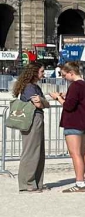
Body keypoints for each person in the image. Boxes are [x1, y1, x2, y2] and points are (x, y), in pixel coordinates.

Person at [47, 61, 85, 193]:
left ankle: (79, 183)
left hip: (73, 122)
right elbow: (83, 100)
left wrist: (58, 98)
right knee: (84, 153)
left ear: (71, 73)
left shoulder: (75, 86)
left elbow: (69, 106)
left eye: (64, 75)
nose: (64, 78)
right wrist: (67, 96)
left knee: (75, 154)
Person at [12, 62, 48, 192]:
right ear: (34, 72)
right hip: (32, 119)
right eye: (41, 71)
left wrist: (43, 102)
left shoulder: (34, 87)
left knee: (39, 152)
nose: (43, 74)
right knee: (31, 151)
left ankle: (36, 182)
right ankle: (27, 183)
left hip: (37, 118)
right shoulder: (29, 88)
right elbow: (39, 104)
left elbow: (43, 103)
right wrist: (43, 102)